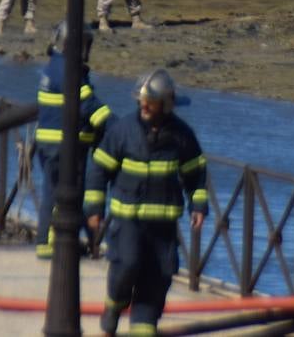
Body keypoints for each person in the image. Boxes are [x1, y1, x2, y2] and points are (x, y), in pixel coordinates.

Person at [85, 69, 208, 336]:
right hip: (128, 221)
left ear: (165, 104)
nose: (144, 107)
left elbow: (195, 173)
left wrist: (198, 206)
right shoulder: (122, 131)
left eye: (150, 103)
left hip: (163, 228)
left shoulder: (182, 136)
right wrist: (94, 208)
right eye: (141, 102)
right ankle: (113, 308)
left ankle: (143, 327)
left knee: (159, 278)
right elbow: (98, 171)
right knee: (126, 264)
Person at [32, 20, 112, 259]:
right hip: (63, 146)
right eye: (86, 44)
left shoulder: (53, 66)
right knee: (60, 194)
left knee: (54, 192)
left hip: (50, 143)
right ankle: (50, 244)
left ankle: (58, 240)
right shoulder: (69, 71)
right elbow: (89, 107)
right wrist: (122, 129)